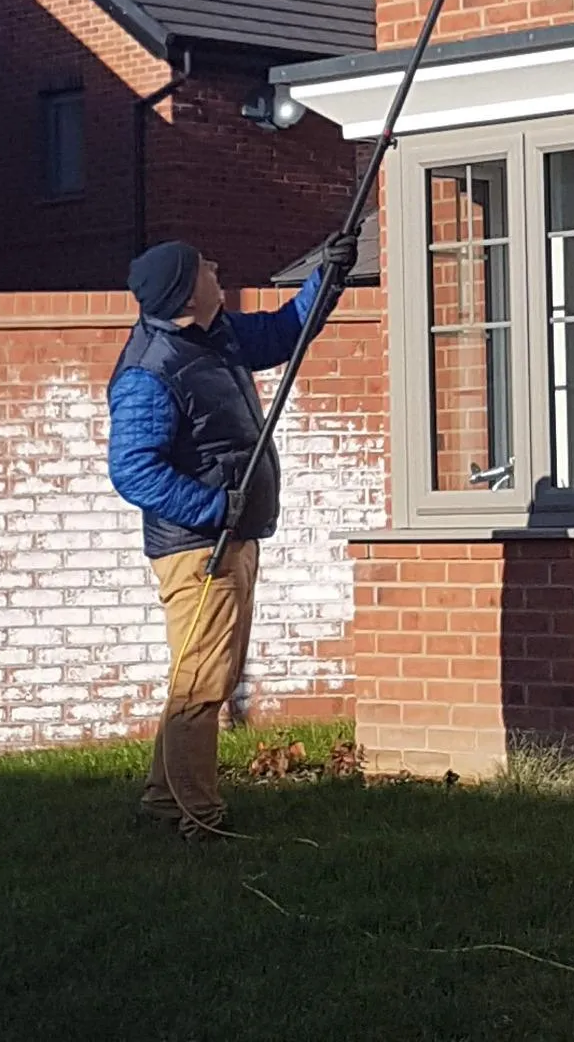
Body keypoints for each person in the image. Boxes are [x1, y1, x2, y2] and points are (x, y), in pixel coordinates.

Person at [107, 234, 357, 840]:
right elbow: (133, 469)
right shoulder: (149, 371)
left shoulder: (211, 335)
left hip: (230, 538)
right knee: (202, 684)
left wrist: (329, 275)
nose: (217, 267)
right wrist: (216, 506)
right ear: (185, 292)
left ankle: (166, 801)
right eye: (205, 267)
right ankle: (197, 816)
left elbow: (282, 333)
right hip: (198, 551)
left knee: (205, 674)